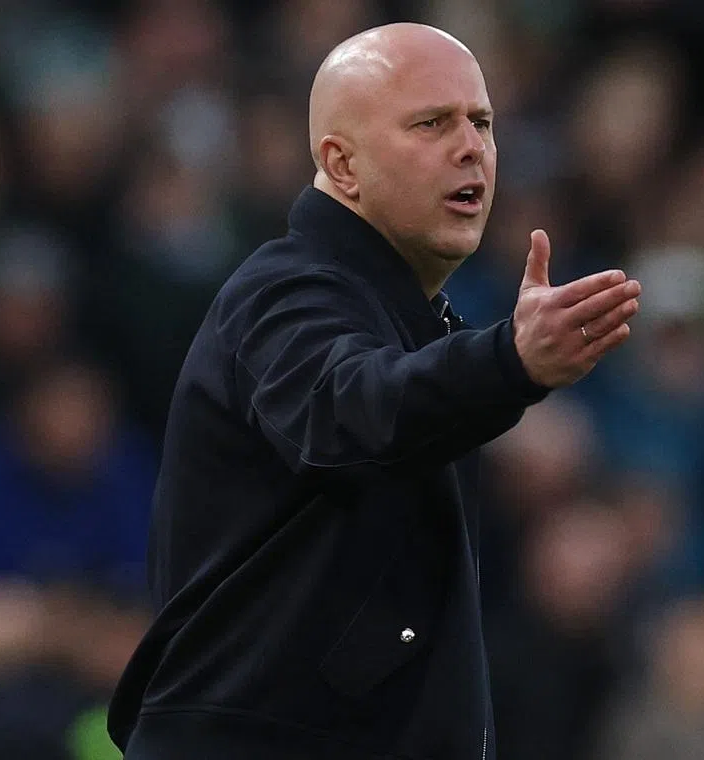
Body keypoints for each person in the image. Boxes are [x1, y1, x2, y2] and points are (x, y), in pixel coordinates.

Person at [106, 22, 642, 760]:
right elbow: (355, 409)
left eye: (481, 123)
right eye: (431, 123)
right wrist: (508, 361)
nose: (471, 148)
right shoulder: (285, 289)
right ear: (342, 163)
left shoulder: (411, 319)